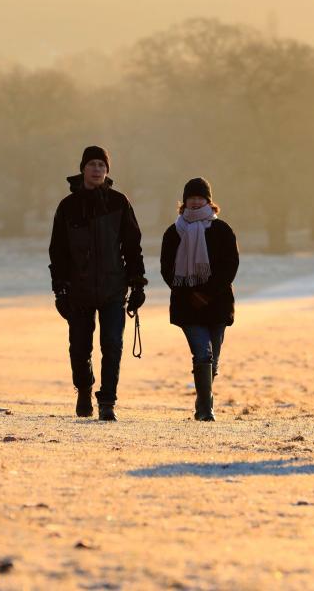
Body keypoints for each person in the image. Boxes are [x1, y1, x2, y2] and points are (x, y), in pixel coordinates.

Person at [49, 146, 147, 421]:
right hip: (78, 289)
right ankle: (83, 388)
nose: (97, 169)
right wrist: (60, 288)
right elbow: (58, 251)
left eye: (101, 165)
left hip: (113, 288)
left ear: (107, 170)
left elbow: (132, 245)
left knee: (112, 345)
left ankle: (107, 402)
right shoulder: (67, 207)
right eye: (92, 164)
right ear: (83, 168)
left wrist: (137, 284)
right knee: (80, 348)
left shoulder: (118, 203)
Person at [160, 177, 239, 421]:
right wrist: (189, 294)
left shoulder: (222, 230)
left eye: (200, 197)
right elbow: (167, 269)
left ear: (208, 201)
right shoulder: (173, 233)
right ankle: (206, 410)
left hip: (217, 304)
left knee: (212, 360)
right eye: (190, 198)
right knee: (202, 354)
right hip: (188, 307)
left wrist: (207, 293)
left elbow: (230, 266)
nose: (195, 202)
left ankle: (203, 398)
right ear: (183, 202)